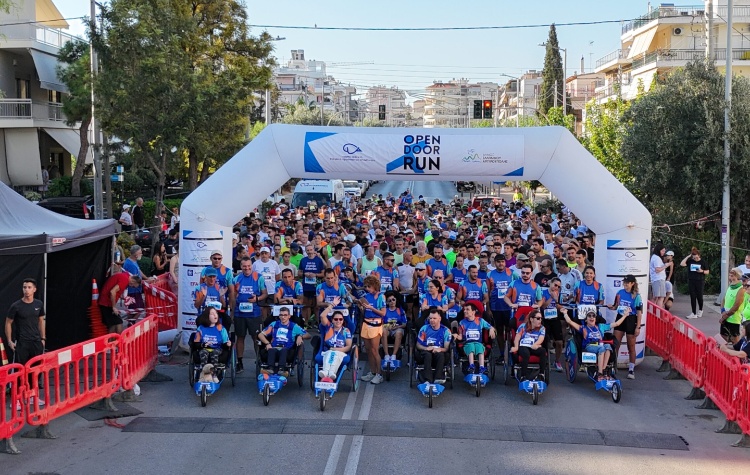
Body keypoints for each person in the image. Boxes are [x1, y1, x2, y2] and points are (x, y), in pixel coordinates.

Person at [562, 307, 629, 380]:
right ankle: (600, 373)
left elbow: (616, 324)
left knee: (608, 346)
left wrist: (625, 315)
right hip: (589, 346)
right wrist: (565, 313)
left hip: (600, 345)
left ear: (595, 319)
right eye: (589, 316)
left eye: (593, 316)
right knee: (602, 348)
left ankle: (603, 369)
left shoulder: (601, 326)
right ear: (586, 320)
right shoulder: (583, 328)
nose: (591, 317)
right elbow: (570, 321)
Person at [232, 256, 267, 373]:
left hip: (254, 313)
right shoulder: (236, 279)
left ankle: (260, 360)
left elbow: (265, 294)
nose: (247, 268)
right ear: (241, 266)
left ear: (252, 266)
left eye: (248, 266)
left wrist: (257, 298)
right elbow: (232, 296)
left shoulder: (259, 277)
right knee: (240, 337)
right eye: (244, 266)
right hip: (240, 313)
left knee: (256, 337)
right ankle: (239, 362)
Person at [5, 278, 46, 367]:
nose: (26, 290)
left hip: (36, 341)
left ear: (34, 289)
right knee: (20, 368)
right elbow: (8, 323)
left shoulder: (39, 304)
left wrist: (43, 338)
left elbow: (41, 321)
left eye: (29, 287)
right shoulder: (16, 306)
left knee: (37, 368)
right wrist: (9, 341)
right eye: (24, 287)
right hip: (22, 342)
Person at [610, 274, 643, 380]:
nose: (625, 284)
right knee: (616, 344)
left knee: (631, 346)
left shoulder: (637, 296)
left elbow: (639, 313)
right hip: (620, 318)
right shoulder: (620, 292)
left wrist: (638, 327)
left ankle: (631, 369)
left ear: (632, 283)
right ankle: (613, 367)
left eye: (627, 283)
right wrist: (611, 307)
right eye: (624, 282)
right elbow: (615, 306)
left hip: (630, 320)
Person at [257, 306, 306, 376]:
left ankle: (282, 369)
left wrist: (300, 336)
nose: (283, 317)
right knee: (271, 349)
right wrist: (267, 343)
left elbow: (308, 335)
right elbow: (260, 335)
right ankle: (270, 369)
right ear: (279, 316)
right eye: (281, 315)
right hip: (274, 347)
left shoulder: (294, 326)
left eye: (285, 315)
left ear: (289, 316)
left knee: (283, 350)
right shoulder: (274, 324)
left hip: (287, 349)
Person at [358, 274, 386, 384]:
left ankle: (379, 374)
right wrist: (362, 308)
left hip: (376, 324)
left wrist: (371, 308)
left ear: (374, 285)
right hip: (366, 323)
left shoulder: (381, 297)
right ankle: (372, 371)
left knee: (375, 350)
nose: (367, 288)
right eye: (365, 286)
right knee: (368, 350)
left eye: (369, 286)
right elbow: (364, 312)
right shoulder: (366, 296)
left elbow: (383, 313)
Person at [454, 302, 496, 374]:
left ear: (473, 312)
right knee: (471, 347)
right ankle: (471, 366)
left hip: (478, 343)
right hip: (467, 343)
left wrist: (491, 329)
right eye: (464, 309)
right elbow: (460, 336)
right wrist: (456, 336)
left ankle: (482, 367)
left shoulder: (480, 321)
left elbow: (490, 327)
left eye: (467, 309)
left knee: (480, 348)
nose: (465, 311)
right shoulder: (462, 323)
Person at [192, 307, 231, 383]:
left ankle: (214, 374)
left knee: (214, 353)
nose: (215, 315)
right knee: (203, 353)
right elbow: (196, 343)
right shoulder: (201, 328)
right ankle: (204, 374)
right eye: (212, 314)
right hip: (204, 348)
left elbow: (225, 342)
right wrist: (203, 345)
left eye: (216, 313)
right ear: (207, 316)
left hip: (218, 348)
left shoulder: (221, 328)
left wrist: (228, 344)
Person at [317, 299, 353, 381]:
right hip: (327, 351)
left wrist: (336, 350)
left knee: (335, 354)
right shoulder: (328, 327)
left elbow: (348, 346)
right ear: (332, 320)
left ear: (343, 320)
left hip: (341, 352)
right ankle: (326, 372)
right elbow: (322, 316)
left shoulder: (346, 331)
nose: (338, 321)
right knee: (330, 353)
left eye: (340, 319)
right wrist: (332, 305)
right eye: (336, 319)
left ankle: (331, 372)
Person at [416, 309, 452, 385]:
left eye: (434, 318)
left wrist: (440, 349)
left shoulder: (446, 331)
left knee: (440, 355)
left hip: (438, 353)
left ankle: (438, 378)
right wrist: (426, 348)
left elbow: (446, 348)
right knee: (427, 355)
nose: (432, 320)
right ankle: (427, 380)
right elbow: (418, 345)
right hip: (425, 352)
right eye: (430, 318)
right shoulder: (424, 329)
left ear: (439, 319)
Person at [510, 309, 547, 381]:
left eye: (541, 318)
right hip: (524, 346)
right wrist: (516, 347)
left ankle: (541, 374)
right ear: (531, 319)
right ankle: (523, 376)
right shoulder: (523, 326)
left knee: (543, 351)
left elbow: (541, 338)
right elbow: (517, 337)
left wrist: (536, 344)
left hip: (534, 346)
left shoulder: (542, 328)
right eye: (538, 318)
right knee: (526, 354)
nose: (540, 320)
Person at [298, 244, 327, 328]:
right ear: (306, 251)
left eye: (311, 250)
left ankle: (319, 324)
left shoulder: (318, 260)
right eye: (308, 250)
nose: (309, 252)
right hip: (306, 286)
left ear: (314, 250)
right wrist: (305, 274)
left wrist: (315, 275)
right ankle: (305, 323)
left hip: (316, 287)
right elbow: (299, 273)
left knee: (317, 306)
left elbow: (323, 274)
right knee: (305, 306)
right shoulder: (303, 260)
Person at [99, 268, 133, 333]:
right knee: (118, 322)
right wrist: (114, 307)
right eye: (133, 286)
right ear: (133, 282)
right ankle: (118, 338)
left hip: (106, 302)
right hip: (107, 303)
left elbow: (114, 291)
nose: (130, 287)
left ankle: (114, 338)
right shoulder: (125, 280)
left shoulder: (124, 276)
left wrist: (123, 298)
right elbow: (112, 292)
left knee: (114, 323)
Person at [681, 247, 709, 319]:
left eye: (696, 257)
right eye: (694, 257)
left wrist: (702, 271)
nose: (695, 259)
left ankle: (700, 309)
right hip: (691, 280)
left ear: (699, 255)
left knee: (699, 296)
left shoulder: (703, 262)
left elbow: (707, 271)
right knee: (692, 296)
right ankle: (693, 313)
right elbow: (682, 264)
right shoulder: (690, 261)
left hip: (700, 281)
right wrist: (688, 256)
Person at [721, 268, 745, 344]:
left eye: (732, 276)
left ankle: (737, 351)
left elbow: (736, 305)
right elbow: (724, 299)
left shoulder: (741, 289)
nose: (730, 278)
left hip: (734, 319)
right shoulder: (730, 286)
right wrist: (722, 311)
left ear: (738, 277)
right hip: (725, 316)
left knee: (734, 339)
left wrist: (725, 316)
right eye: (729, 276)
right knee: (723, 337)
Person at [381, 291, 407, 363]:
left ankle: (394, 355)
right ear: (387, 303)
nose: (392, 302)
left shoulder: (400, 310)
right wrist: (387, 326)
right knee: (383, 331)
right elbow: (381, 323)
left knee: (399, 333)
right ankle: (386, 354)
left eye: (393, 299)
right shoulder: (384, 311)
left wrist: (396, 327)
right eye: (389, 300)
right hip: (387, 328)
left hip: (398, 328)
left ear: (396, 300)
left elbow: (404, 324)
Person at [649, 243, 668, 308]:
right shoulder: (656, 258)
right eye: (662, 251)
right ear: (658, 250)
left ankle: (653, 310)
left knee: (656, 297)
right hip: (658, 279)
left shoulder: (655, 257)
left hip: (657, 279)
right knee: (660, 297)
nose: (663, 252)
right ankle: (658, 312)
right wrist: (665, 266)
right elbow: (657, 269)